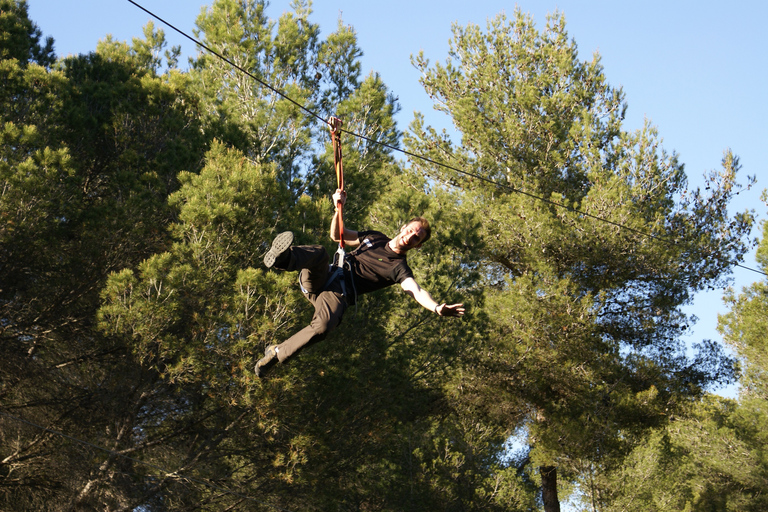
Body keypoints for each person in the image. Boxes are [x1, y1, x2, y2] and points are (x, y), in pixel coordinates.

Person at [255, 189, 465, 377]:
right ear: (403, 228)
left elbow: (416, 291)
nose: (410, 237)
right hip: (322, 275)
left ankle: (276, 353)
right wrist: (339, 209)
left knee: (325, 327)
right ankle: (283, 258)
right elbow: (338, 235)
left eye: (416, 238)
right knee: (320, 252)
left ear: (417, 246)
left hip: (336, 295)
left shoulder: (398, 267)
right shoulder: (375, 237)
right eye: (411, 231)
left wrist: (436, 307)